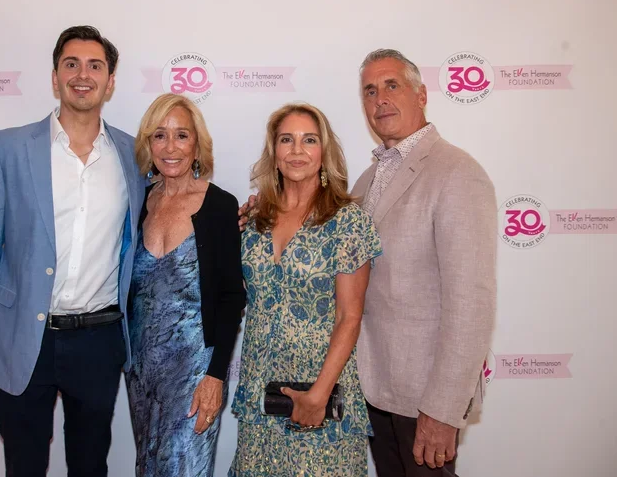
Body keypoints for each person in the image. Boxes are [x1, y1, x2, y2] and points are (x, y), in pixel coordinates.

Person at [0, 26, 145, 477]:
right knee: (23, 465)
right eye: (71, 64)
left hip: (99, 338)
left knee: (89, 465)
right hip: (23, 337)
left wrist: (236, 214)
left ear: (110, 81)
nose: (83, 75)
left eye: (95, 66)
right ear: (55, 77)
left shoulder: (133, 154)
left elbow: (174, 201)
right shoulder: (6, 148)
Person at [352, 49, 496, 476]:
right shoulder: (368, 179)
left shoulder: (457, 172)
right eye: (370, 91)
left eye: (391, 85)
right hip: (374, 389)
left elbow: (471, 302)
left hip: (424, 398)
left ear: (421, 95)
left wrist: (444, 408)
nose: (380, 98)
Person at [229, 103, 382, 477]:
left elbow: (349, 316)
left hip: (321, 393)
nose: (297, 150)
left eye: (309, 140)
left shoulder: (348, 221)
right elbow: (236, 293)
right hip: (260, 394)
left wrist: (318, 394)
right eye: (287, 140)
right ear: (274, 151)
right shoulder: (254, 220)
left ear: (324, 151)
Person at [126, 93, 246, 476]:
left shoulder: (220, 206)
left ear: (197, 145)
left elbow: (231, 298)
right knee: (148, 465)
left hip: (194, 372)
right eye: (159, 135)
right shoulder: (137, 203)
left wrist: (215, 376)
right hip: (141, 372)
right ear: (148, 144)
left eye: (182, 135)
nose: (170, 147)